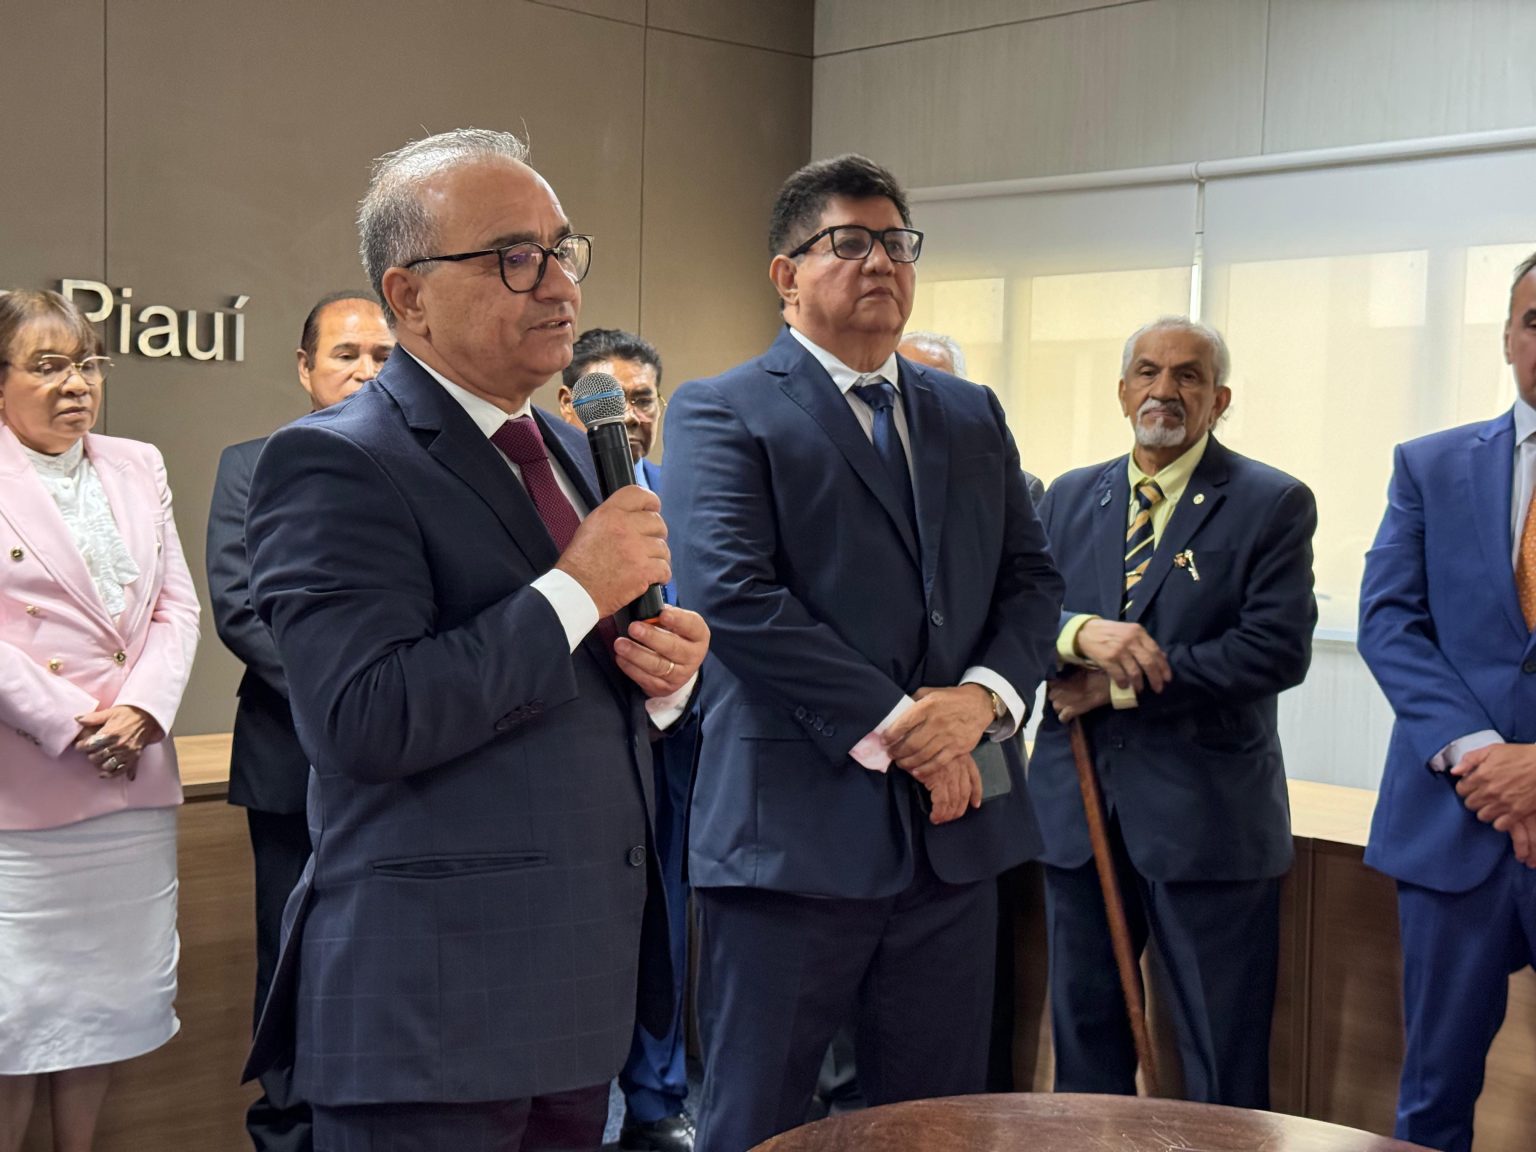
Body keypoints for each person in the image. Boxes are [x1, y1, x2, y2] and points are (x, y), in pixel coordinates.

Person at [240, 128, 709, 1152]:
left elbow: (579, 686)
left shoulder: (577, 452)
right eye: (515, 257)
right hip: (433, 1009)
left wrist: (664, 678)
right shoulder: (334, 463)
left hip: (579, 996)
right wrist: (575, 589)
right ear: (408, 296)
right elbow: (363, 719)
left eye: (562, 250)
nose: (560, 285)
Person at [662, 154, 1063, 1152]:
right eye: (848, 242)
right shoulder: (723, 408)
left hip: (955, 840)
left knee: (930, 1126)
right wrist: (906, 730)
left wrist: (981, 701)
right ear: (786, 274)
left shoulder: (968, 412)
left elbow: (1032, 582)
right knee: (756, 1120)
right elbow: (733, 597)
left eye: (896, 242)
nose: (881, 261)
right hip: (791, 841)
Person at [1031, 316, 1315, 1108]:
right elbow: (1022, 615)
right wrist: (1074, 636)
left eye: (1189, 375)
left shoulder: (1271, 501)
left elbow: (1274, 650)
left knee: (1220, 1060)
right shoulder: (1067, 497)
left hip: (1208, 822)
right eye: (1149, 372)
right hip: (1080, 813)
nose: (1165, 389)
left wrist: (1116, 686)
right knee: (1085, 1050)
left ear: (1219, 399)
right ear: (1123, 391)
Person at [0, 289, 200, 1152]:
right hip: (24, 791)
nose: (76, 384)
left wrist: (144, 710)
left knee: (103, 1010)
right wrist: (80, 725)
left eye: (87, 364)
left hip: (131, 786)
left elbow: (176, 607)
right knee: (16, 1017)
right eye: (48, 367)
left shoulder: (137, 463)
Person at [207, 290, 393, 1152]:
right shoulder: (252, 465)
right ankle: (286, 1130)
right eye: (346, 355)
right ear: (305, 367)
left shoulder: (424, 468)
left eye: (383, 357)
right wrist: (352, 692)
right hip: (291, 759)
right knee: (288, 959)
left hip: (403, 762)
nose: (365, 372)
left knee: (384, 962)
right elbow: (240, 608)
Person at [1358, 251, 1536, 1152]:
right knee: (1433, 1098)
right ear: (1506, 337)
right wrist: (1482, 755)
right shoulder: (1429, 465)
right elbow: (1389, 622)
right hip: (1453, 822)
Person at [557, 328, 695, 1152]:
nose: (633, 417)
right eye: (614, 401)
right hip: (580, 750)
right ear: (565, 405)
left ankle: (656, 1096)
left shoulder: (685, 494)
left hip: (675, 746)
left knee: (664, 927)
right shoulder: (542, 491)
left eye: (644, 400)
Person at [898, 330, 1044, 508]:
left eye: (933, 383)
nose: (916, 395)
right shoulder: (874, 475)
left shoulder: (1010, 488)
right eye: (903, 381)